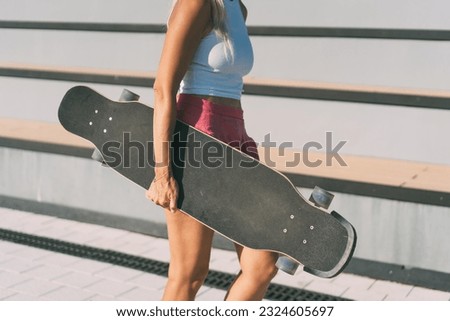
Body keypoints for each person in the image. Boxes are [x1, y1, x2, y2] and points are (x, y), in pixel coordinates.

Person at [146, 0, 278, 301]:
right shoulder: (196, 3)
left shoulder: (237, 8)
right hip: (197, 138)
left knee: (262, 264)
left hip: (236, 133)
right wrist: (163, 172)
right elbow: (163, 88)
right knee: (189, 275)